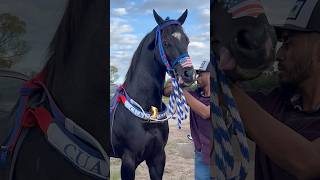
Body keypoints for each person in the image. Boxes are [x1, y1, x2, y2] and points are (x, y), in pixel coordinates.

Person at [221, 0, 320, 179]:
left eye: (288, 44)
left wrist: (225, 87)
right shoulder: (274, 102)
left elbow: (308, 162)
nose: (279, 55)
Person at [163, 60, 212, 180]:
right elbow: (166, 91)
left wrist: (181, 91)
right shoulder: (196, 94)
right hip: (201, 153)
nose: (197, 76)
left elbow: (206, 112)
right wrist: (178, 81)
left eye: (201, 73)